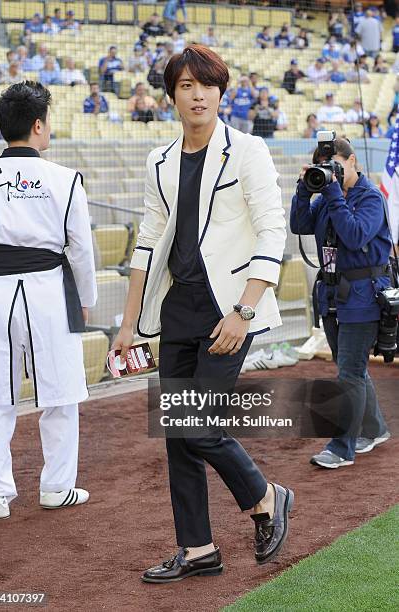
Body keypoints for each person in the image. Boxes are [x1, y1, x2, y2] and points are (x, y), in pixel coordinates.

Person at [111, 44, 292, 582]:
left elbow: (272, 231)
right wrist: (127, 322)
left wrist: (243, 309)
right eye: (187, 86)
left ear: (221, 92)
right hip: (178, 310)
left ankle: (265, 496)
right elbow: (146, 242)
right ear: (172, 95)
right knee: (179, 433)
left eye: (207, 85)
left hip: (229, 310)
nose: (198, 95)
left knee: (201, 427)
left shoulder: (248, 151)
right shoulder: (159, 161)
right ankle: (198, 550)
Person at [0, 81, 97, 518]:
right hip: (50, 290)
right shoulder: (65, 179)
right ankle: (56, 487)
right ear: (37, 125)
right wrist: (86, 297)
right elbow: (81, 248)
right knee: (61, 392)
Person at [290, 137, 391, 469]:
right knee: (352, 369)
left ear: (353, 163)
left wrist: (332, 192)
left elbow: (355, 235)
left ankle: (341, 447)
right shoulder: (326, 198)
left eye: (336, 164)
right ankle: (374, 430)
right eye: (325, 165)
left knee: (349, 372)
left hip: (363, 297)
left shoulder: (371, 198)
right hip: (333, 295)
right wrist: (305, 189)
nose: (331, 172)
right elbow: (300, 224)